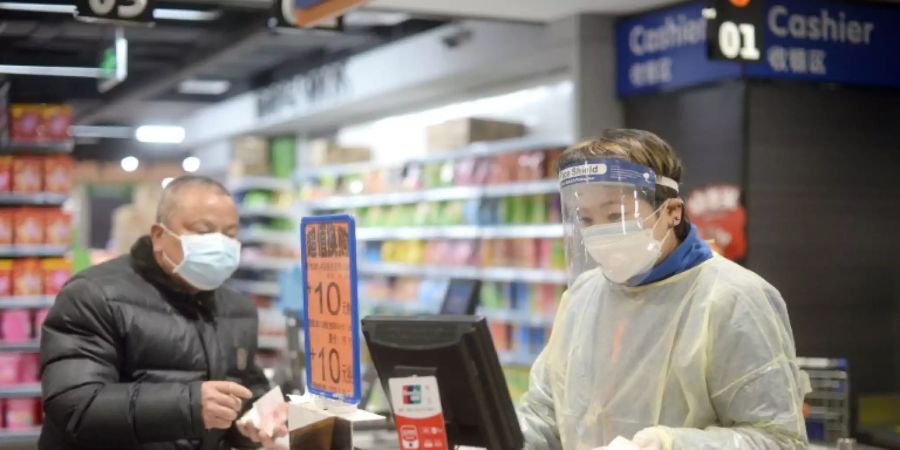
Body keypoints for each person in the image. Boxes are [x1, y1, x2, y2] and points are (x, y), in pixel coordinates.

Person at [518, 129, 810, 450]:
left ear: (672, 211)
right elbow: (546, 411)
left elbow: (778, 440)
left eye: (617, 215)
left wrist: (667, 444)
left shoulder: (733, 298)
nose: (600, 232)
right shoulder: (584, 296)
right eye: (586, 220)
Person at [40, 175, 288, 450]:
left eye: (229, 234)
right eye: (203, 231)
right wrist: (190, 405)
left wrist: (260, 420)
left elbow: (244, 394)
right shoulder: (94, 295)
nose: (219, 244)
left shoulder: (237, 309)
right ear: (159, 236)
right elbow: (75, 405)